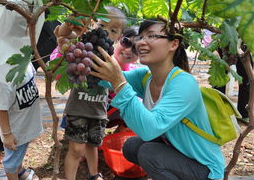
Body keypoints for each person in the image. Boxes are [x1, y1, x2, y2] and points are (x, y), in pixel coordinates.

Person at [90, 19, 225, 180]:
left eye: (151, 36)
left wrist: (118, 82)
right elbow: (109, 78)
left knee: (149, 153)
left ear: (173, 44)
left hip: (205, 170)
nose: (141, 42)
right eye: (140, 37)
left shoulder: (183, 83)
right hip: (178, 153)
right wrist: (82, 49)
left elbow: (149, 130)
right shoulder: (146, 77)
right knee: (132, 146)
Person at [53, 6, 127, 180]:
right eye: (102, 25)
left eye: (113, 30)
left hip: (98, 111)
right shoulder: (82, 45)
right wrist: (73, 18)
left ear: (119, 37)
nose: (106, 32)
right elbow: (62, 35)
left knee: (93, 145)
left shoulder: (112, 57)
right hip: (78, 109)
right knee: (77, 148)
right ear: (94, 24)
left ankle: (94, 175)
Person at [0, 62, 43, 180]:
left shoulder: (24, 60)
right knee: (11, 164)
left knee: (17, 157)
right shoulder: (2, 79)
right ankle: (14, 174)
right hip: (16, 131)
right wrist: (7, 135)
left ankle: (19, 172)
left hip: (25, 123)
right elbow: (1, 109)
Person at [106, 26, 139, 133]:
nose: (129, 50)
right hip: (89, 110)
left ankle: (116, 137)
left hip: (113, 114)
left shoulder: (136, 73)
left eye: (136, 49)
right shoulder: (100, 60)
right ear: (118, 39)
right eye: (126, 42)